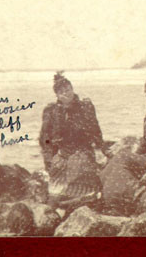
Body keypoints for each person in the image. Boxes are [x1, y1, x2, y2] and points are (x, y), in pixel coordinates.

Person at [39, 71, 108, 209]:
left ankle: (79, 201)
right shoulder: (51, 111)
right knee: (55, 192)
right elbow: (45, 138)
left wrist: (103, 150)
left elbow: (96, 131)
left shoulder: (85, 107)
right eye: (62, 91)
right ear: (57, 95)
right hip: (63, 154)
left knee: (78, 179)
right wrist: (48, 159)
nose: (67, 93)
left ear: (72, 89)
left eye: (69, 89)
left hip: (82, 152)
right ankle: (60, 204)